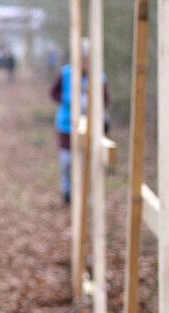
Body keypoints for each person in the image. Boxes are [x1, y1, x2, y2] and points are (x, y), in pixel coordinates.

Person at [50, 37, 109, 204]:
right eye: (82, 59)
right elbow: (53, 92)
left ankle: (85, 193)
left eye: (88, 59)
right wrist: (67, 101)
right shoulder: (66, 73)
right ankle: (67, 191)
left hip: (90, 126)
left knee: (86, 162)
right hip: (67, 125)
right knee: (67, 161)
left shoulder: (99, 76)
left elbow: (106, 100)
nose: (85, 63)